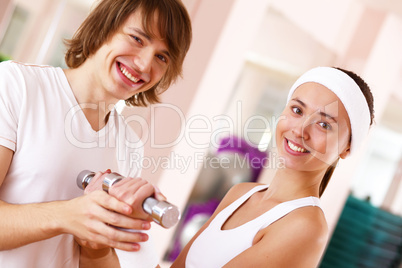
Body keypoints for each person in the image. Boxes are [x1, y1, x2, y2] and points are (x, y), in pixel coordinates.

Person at [0, 0, 192, 267]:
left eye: (162, 56)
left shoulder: (129, 146)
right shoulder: (16, 86)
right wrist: (68, 215)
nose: (144, 64)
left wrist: (97, 242)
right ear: (105, 26)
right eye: (137, 38)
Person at [172, 66, 375, 267]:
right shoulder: (241, 193)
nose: (299, 130)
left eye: (324, 125)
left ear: (346, 148)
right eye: (297, 110)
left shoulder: (305, 226)